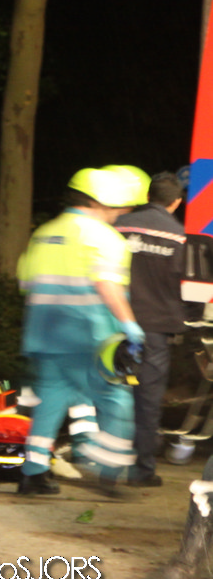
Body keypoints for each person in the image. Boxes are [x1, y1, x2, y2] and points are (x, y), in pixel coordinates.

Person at [16, 167, 142, 496]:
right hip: (89, 336)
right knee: (116, 400)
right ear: (102, 201)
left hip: (43, 336)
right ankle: (110, 474)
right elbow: (107, 285)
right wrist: (129, 326)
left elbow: (25, 282)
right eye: (119, 205)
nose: (122, 211)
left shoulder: (44, 233)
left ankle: (33, 473)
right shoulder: (103, 237)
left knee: (50, 402)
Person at [114, 172, 188, 487]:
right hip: (156, 327)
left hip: (115, 322)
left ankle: (105, 464)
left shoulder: (119, 225)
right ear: (177, 202)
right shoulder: (179, 235)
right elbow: (186, 285)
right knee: (147, 398)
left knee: (110, 392)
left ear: (148, 196)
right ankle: (142, 471)